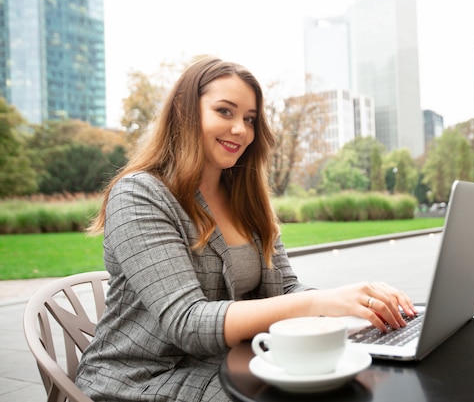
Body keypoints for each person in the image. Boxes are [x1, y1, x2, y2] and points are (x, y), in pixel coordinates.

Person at [75, 57, 416, 402]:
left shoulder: (246, 199)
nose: (241, 129)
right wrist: (320, 301)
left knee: (348, 378)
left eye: (249, 119)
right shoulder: (140, 194)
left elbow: (285, 288)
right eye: (225, 111)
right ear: (184, 112)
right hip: (138, 377)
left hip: (223, 362)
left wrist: (355, 308)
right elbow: (187, 322)